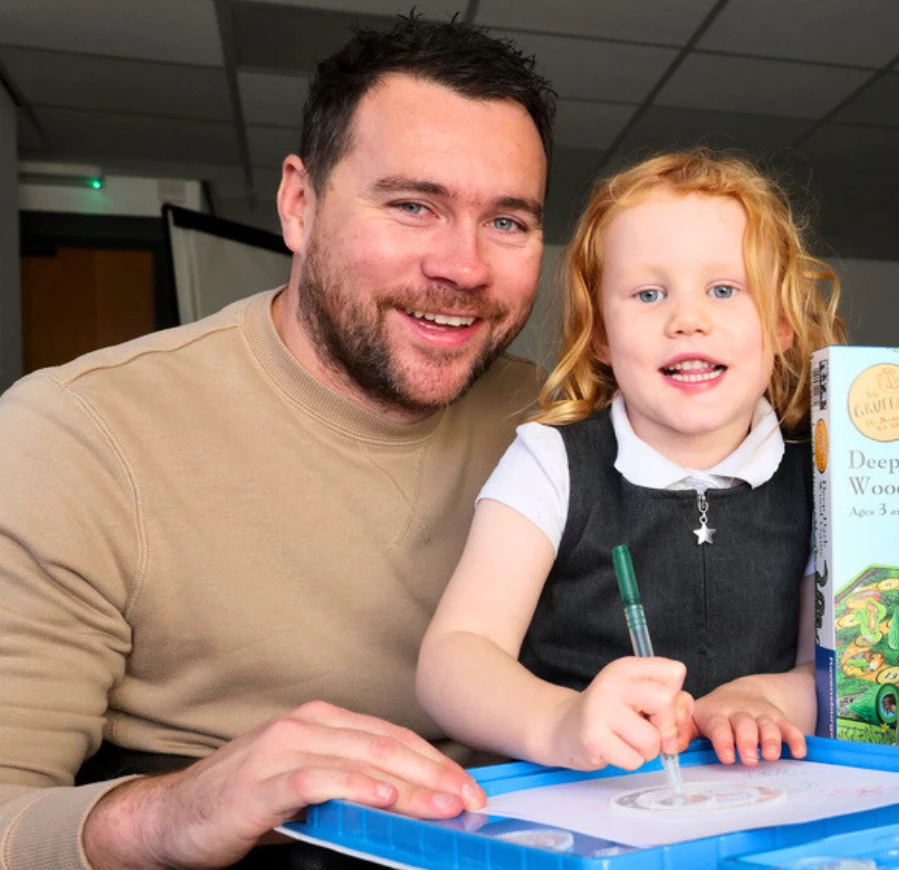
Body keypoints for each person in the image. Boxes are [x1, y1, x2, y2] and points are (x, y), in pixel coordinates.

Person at [0, 18, 555, 868]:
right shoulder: (81, 438)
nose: (465, 266)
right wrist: (176, 812)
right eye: (414, 205)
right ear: (299, 205)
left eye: (508, 222)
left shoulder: (571, 422)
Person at [416, 151, 844, 773]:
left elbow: (831, 668)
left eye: (724, 290)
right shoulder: (550, 462)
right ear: (601, 336)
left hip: (757, 808)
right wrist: (558, 722)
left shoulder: (825, 478)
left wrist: (765, 696)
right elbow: (456, 655)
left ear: (780, 323)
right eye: (648, 293)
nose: (687, 320)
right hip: (575, 811)